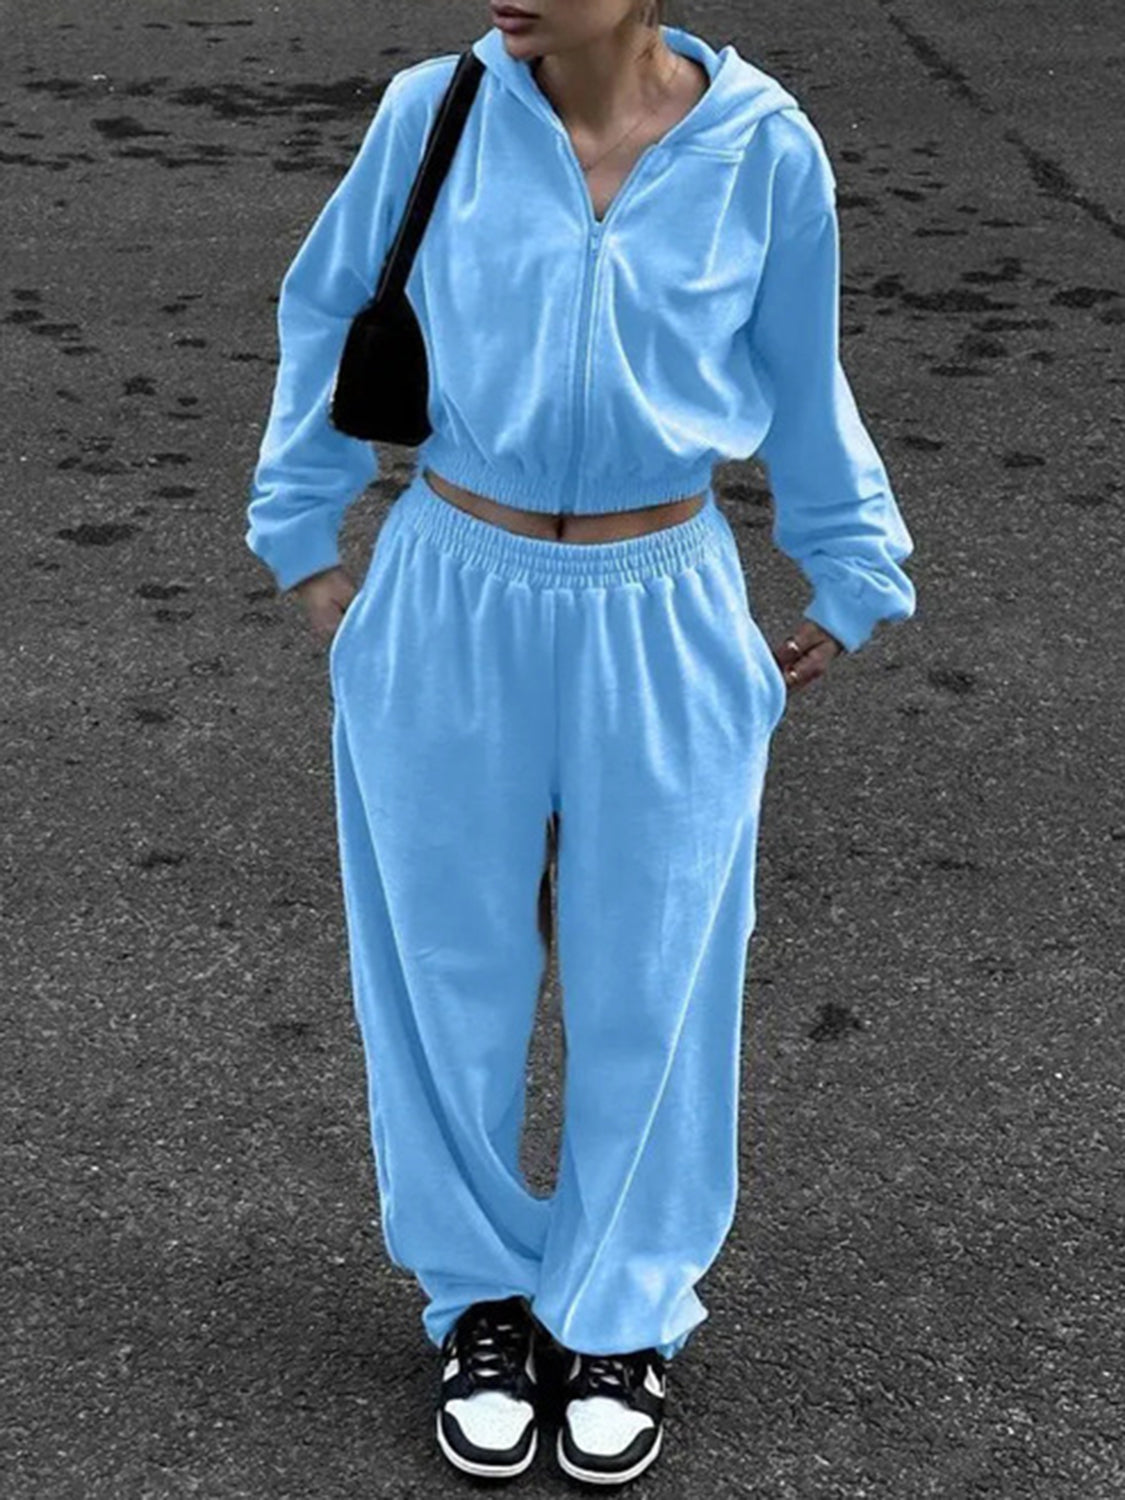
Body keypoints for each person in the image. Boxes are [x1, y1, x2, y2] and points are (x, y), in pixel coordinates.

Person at [245, 0, 916, 1485]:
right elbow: (327, 308)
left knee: (658, 974)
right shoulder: (433, 114)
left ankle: (618, 1312)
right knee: (442, 970)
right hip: (450, 585)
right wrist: (304, 544)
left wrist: (848, 568)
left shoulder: (763, 147)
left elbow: (804, 372)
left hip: (661, 596)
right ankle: (479, 1297)